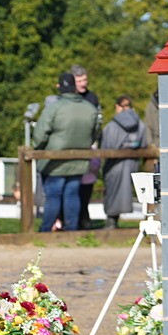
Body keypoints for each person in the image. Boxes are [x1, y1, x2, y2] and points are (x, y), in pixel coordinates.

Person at [32, 72, 99, 231]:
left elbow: (39, 135)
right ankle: (72, 230)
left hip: (53, 161)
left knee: (53, 196)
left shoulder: (54, 108)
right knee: (72, 194)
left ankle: (45, 230)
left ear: (59, 87)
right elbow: (95, 132)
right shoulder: (89, 108)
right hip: (79, 160)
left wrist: (40, 148)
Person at [100, 95, 147, 229]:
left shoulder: (112, 126)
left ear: (118, 106)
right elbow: (144, 143)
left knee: (112, 190)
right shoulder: (140, 124)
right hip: (132, 163)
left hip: (114, 165)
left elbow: (105, 146)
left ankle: (111, 222)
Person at [70, 64, 102, 229]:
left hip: (89, 146)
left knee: (87, 184)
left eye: (85, 80)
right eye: (79, 80)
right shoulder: (67, 98)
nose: (83, 83)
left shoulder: (92, 98)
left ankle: (84, 215)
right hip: (72, 147)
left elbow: (97, 122)